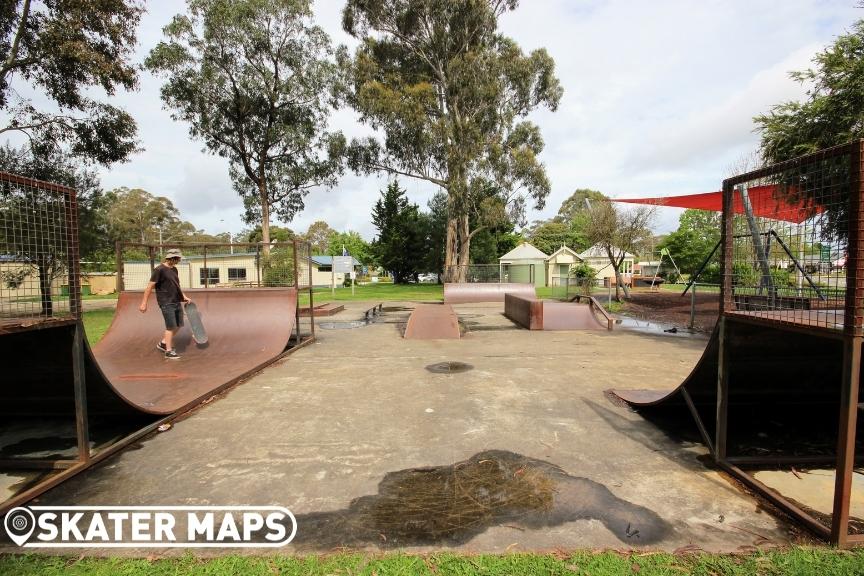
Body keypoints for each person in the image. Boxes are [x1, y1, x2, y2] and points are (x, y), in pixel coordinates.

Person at [139, 248, 191, 359]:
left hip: (176, 300)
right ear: (172, 258)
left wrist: (184, 297)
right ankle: (168, 351)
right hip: (166, 302)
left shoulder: (175, 270)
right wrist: (144, 303)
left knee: (179, 325)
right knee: (170, 327)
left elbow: (177, 286)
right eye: (178, 259)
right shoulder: (159, 270)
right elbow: (149, 287)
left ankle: (163, 343)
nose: (179, 261)